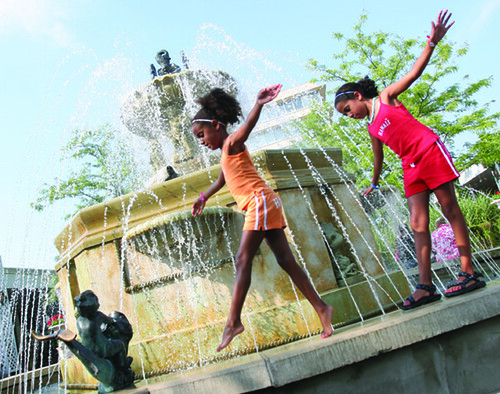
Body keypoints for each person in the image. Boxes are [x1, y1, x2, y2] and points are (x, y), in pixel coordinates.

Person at [334, 10, 485, 310]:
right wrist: (374, 183)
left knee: (449, 207)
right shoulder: (372, 128)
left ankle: (467, 271)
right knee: (417, 224)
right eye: (344, 115)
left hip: (428, 151)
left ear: (357, 95)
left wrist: (432, 42)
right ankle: (425, 286)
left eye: (347, 109)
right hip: (410, 167)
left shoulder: (387, 98)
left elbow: (414, 73)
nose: (349, 116)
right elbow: (378, 159)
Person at [191, 84, 334, 351]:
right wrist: (204, 196)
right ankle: (322, 308)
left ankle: (233, 322)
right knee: (285, 260)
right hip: (266, 202)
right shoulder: (225, 152)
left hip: (259, 202)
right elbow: (223, 179)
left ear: (215, 124)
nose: (201, 141)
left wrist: (259, 103)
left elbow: (247, 128)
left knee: (242, 259)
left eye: (201, 134)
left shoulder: (233, 141)